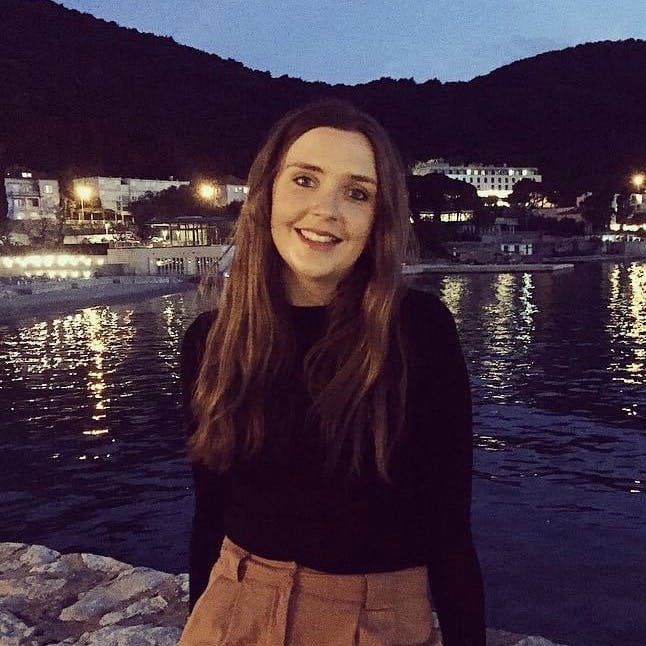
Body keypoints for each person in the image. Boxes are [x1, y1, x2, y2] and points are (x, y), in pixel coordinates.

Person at [179, 99, 485, 645]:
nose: (327, 210)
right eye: (304, 180)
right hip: (232, 609)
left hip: (373, 621)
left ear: (378, 218)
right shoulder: (211, 340)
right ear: (266, 193)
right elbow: (211, 512)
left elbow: (450, 527)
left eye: (357, 193)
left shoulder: (418, 331)